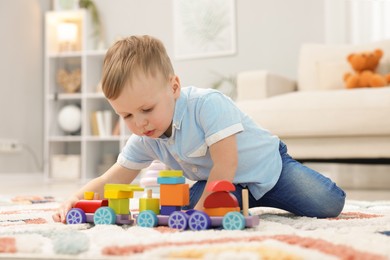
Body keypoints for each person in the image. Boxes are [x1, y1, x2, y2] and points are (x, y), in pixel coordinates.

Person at [53, 35, 346, 223]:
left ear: (174, 86)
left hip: (270, 171)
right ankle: (238, 203)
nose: (138, 123)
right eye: (126, 115)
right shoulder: (145, 137)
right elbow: (111, 177)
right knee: (184, 204)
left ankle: (306, 176)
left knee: (329, 204)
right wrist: (75, 198)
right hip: (225, 184)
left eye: (146, 110)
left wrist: (203, 211)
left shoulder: (207, 105)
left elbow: (226, 162)